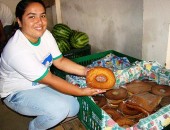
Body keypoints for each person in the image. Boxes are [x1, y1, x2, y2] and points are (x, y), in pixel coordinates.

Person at [0, 0, 105, 130]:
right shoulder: (17, 50)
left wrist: (86, 71)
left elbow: (60, 61)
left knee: (73, 108)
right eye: (32, 16)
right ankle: (35, 127)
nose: (39, 21)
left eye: (42, 16)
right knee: (59, 110)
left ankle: (46, 110)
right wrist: (81, 91)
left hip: (40, 83)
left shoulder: (45, 35)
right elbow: (51, 79)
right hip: (17, 92)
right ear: (19, 21)